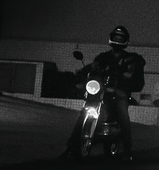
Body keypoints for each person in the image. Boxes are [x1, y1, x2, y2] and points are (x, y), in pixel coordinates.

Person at [61, 25, 144, 159]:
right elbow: (93, 66)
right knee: (83, 113)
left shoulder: (131, 59)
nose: (117, 40)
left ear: (125, 41)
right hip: (101, 90)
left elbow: (132, 75)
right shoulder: (103, 57)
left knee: (122, 114)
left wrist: (122, 82)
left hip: (119, 92)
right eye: (115, 37)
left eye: (120, 38)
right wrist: (82, 75)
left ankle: (128, 151)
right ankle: (71, 147)